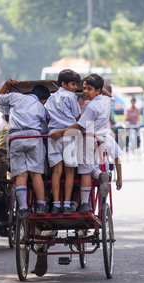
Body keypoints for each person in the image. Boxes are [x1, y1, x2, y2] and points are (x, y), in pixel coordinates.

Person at [50, 73, 114, 213]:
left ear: (97, 91)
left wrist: (61, 132)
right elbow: (110, 96)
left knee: (85, 172)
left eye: (89, 89)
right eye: (84, 88)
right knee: (93, 168)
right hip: (102, 140)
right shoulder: (106, 101)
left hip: (89, 139)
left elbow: (80, 125)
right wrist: (100, 89)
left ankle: (84, 203)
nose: (84, 92)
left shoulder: (90, 107)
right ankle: (101, 177)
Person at [0, 78, 50, 218]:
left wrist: (5, 84)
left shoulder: (16, 97)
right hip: (34, 138)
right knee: (36, 173)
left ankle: (24, 208)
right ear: (43, 100)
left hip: (16, 138)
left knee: (21, 174)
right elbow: (44, 130)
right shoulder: (41, 108)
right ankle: (41, 205)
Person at [45, 69, 82, 215]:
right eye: (73, 84)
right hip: (69, 134)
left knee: (56, 171)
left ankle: (55, 204)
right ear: (64, 84)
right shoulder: (71, 96)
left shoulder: (50, 98)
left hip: (53, 135)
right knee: (70, 171)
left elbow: (47, 117)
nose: (74, 87)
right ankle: (66, 204)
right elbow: (78, 116)